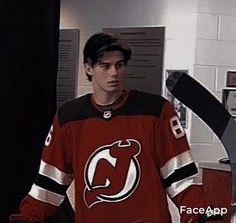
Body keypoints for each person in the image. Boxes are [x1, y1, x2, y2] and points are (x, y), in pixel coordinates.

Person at [10, 32, 223, 223]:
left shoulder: (155, 111)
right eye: (105, 66)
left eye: (119, 65)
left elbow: (182, 181)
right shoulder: (69, 117)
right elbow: (49, 185)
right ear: (88, 68)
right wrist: (28, 217)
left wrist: (201, 216)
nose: (114, 73)